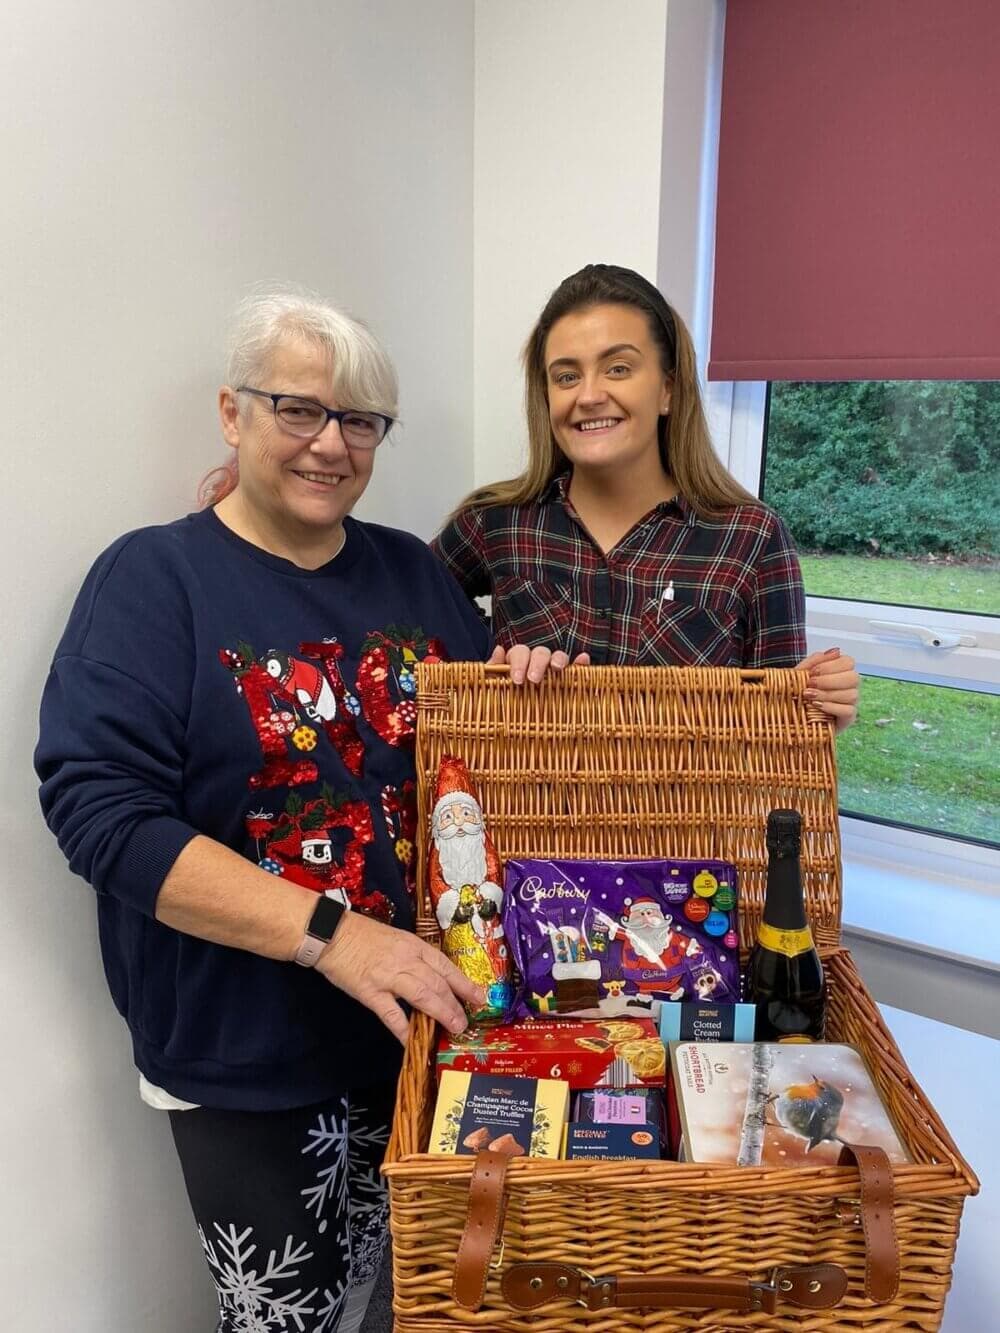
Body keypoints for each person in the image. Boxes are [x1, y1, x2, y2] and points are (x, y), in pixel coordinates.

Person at [33, 289, 571, 1333]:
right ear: (233, 414)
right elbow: (103, 819)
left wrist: (527, 684)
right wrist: (332, 937)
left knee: (425, 1307)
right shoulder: (155, 579)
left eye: (360, 420)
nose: (331, 444)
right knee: (292, 1324)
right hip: (252, 1066)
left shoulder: (414, 572)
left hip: (426, 1036)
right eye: (298, 410)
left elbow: (478, 771)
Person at [432, 264, 859, 727]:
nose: (589, 395)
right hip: (520, 800)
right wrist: (482, 671)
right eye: (567, 376)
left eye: (618, 368)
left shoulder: (752, 540)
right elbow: (408, 640)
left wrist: (821, 706)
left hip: (689, 802)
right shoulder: (495, 523)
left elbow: (777, 735)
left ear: (668, 391)